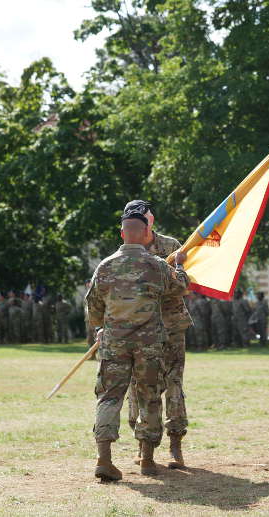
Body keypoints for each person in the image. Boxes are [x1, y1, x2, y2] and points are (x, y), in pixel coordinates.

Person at [86, 210, 189, 482]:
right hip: (148, 345)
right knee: (149, 397)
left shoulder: (105, 266)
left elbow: (93, 310)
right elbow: (181, 288)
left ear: (122, 234)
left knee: (109, 397)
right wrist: (179, 264)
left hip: (114, 344)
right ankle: (147, 458)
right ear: (146, 235)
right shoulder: (157, 265)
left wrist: (104, 327)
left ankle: (104, 458)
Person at [123, 199, 194, 469]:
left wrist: (178, 267)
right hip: (139, 328)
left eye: (145, 214)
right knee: (138, 386)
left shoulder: (172, 247)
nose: (143, 219)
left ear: (151, 218)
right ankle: (144, 445)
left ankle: (175, 447)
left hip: (171, 325)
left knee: (173, 383)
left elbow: (183, 287)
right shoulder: (128, 248)